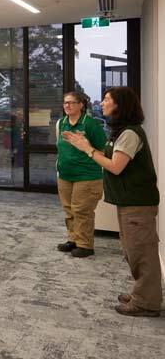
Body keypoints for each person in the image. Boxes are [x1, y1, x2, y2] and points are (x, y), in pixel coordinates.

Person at [62, 87, 161, 317]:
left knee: (141, 252)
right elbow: (110, 157)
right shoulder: (119, 132)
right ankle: (144, 294)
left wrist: (87, 149)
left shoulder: (130, 133)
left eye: (107, 100)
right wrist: (85, 145)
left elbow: (116, 166)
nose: (102, 103)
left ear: (120, 105)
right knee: (132, 251)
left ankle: (146, 302)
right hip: (129, 201)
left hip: (137, 202)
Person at [55, 92, 107, 258]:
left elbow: (102, 149)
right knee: (69, 210)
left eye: (71, 102)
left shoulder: (90, 124)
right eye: (65, 103)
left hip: (87, 176)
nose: (67, 106)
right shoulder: (61, 123)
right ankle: (73, 240)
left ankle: (85, 245)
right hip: (65, 175)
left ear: (81, 105)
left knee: (82, 211)